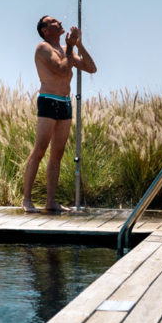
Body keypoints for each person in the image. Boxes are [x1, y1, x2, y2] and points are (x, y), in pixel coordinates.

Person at [23, 15, 97, 213]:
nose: (60, 23)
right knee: (40, 150)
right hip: (48, 101)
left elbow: (92, 68)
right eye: (54, 22)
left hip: (65, 102)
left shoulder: (66, 50)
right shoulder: (43, 48)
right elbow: (62, 71)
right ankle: (27, 200)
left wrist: (79, 45)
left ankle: (50, 202)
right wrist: (71, 49)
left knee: (57, 153)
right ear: (45, 30)